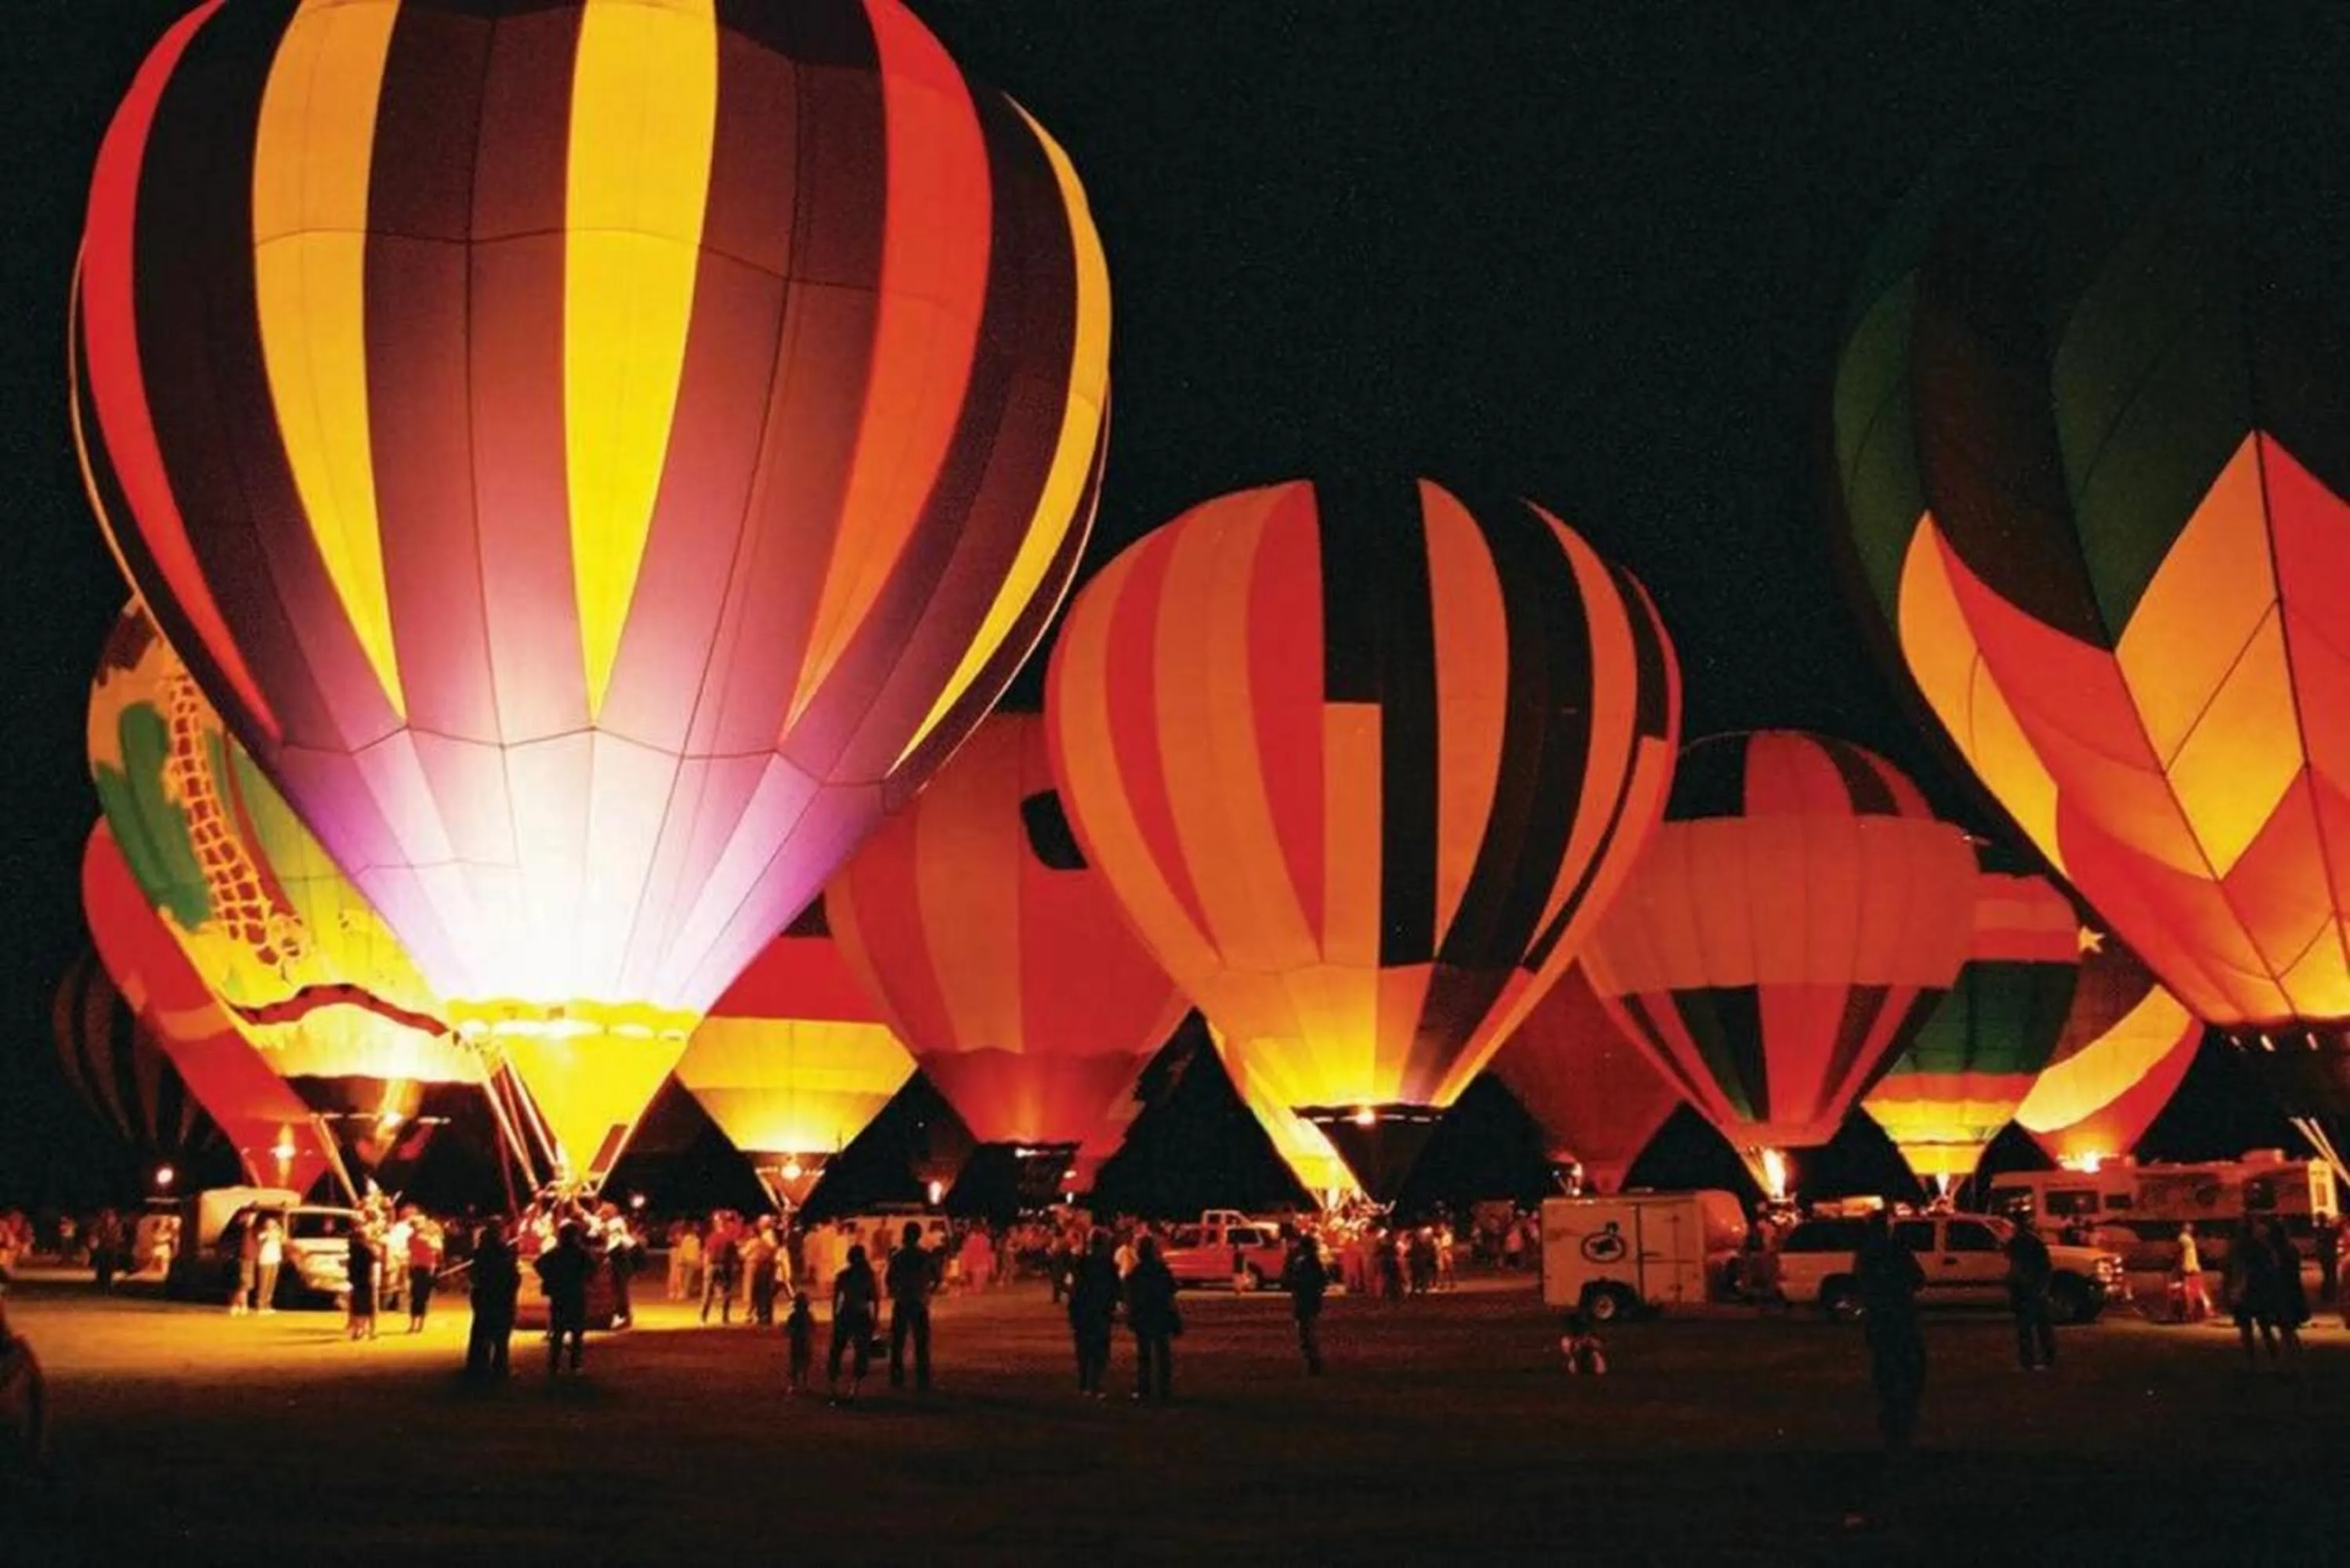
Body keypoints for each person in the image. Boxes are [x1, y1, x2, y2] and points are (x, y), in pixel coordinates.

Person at [1853, 1210, 1926, 1451]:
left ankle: (1889, 1413)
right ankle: (1904, 1414)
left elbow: (1860, 1283)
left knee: (1884, 1363)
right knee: (1910, 1363)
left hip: (1878, 1316)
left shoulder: (1865, 1254)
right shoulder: (1898, 1250)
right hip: (1902, 1314)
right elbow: (1918, 1279)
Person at [1124, 1235, 1180, 1403]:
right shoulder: (1161, 1270)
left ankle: (1144, 1389)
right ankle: (1164, 1389)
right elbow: (1171, 1293)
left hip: (1144, 1315)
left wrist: (1131, 1314)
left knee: (1144, 1354)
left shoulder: (1136, 1272)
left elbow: (1131, 1296)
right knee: (1163, 1353)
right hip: (1160, 1313)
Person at [535, 1222, 592, 1376]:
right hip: (575, 1294)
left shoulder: (556, 1252)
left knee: (558, 1331)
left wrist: (550, 1278)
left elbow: (538, 1264)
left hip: (559, 1294)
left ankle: (554, 1365)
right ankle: (575, 1365)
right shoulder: (580, 1252)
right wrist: (583, 1278)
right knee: (576, 1332)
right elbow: (592, 1268)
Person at [1068, 1230, 1119, 1397]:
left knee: (1084, 1348)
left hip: (1083, 1310)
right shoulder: (1108, 1265)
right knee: (1099, 1349)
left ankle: (1084, 1383)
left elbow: (1075, 1288)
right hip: (1100, 1311)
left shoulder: (1082, 1262)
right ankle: (1095, 1383)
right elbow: (1115, 1289)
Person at [466, 1219, 520, 1380]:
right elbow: (510, 1275)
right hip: (499, 1295)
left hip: (483, 1294)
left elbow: (474, 1275)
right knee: (501, 1334)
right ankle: (500, 1367)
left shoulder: (480, 1252)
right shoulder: (502, 1252)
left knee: (481, 1331)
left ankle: (478, 1366)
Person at [887, 1221, 936, 1392]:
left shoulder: (898, 1257)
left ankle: (897, 1377)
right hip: (919, 1301)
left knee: (898, 1342)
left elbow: (889, 1280)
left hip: (902, 1301)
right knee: (921, 1343)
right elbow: (937, 1276)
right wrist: (928, 1291)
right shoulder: (925, 1256)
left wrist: (895, 1291)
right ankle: (923, 1379)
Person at [2005, 1214, 2056, 1371]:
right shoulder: (2035, 1242)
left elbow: (2013, 1265)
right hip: (2033, 1288)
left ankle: (2028, 1360)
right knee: (2040, 1326)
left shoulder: (2015, 1243)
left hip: (2025, 1289)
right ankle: (2047, 1359)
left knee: (2025, 1328)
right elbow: (2046, 1266)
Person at [828, 1244, 879, 1404]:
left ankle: (834, 1385)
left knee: (837, 1349)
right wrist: (874, 1319)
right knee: (861, 1351)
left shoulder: (844, 1275)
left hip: (846, 1313)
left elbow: (836, 1299)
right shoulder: (868, 1275)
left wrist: (835, 1317)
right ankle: (854, 1386)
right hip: (862, 1314)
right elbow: (874, 1299)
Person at [2262, 1218, 2307, 1364]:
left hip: (2281, 1292)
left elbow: (2274, 1272)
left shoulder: (2276, 1252)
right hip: (2292, 1290)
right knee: (2288, 1329)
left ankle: (2290, 1363)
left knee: (2286, 1328)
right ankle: (2293, 1360)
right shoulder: (2291, 1249)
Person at [1282, 1230, 1328, 1375]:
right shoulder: (1314, 1262)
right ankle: (1312, 1362)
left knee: (1306, 1333)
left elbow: (1292, 1281)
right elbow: (1323, 1281)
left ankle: (1313, 1363)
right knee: (1308, 1332)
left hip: (1304, 1301)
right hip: (1311, 1301)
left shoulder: (1303, 1263)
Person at [405, 1216, 443, 1334]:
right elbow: (437, 1250)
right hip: (425, 1269)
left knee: (416, 1297)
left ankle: (414, 1324)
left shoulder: (411, 1238)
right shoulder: (425, 1239)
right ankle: (419, 1325)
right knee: (423, 1298)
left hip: (417, 1268)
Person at [703, 1216, 741, 1325]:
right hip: (725, 1266)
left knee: (708, 1292)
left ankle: (703, 1316)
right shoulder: (729, 1239)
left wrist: (705, 1267)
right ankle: (725, 1317)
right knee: (727, 1292)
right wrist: (735, 1266)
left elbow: (707, 1253)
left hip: (712, 1266)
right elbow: (734, 1255)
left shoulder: (710, 1237)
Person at [346, 1224, 380, 1342]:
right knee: (370, 1307)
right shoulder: (367, 1250)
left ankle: (357, 1331)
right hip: (366, 1280)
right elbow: (374, 1261)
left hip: (356, 1281)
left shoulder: (352, 1249)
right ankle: (371, 1331)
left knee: (357, 1307)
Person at [2173, 1224, 2211, 1323]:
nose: (2191, 1229)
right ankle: (2189, 1313)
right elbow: (2180, 1253)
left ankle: (2194, 1312)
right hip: (2188, 1268)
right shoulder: (2183, 1238)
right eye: (2188, 1227)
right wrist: (2180, 1266)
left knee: (2194, 1290)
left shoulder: (2188, 1239)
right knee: (2189, 1290)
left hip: (2192, 1267)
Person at [784, 1291, 815, 1396]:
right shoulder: (808, 1315)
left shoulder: (793, 1316)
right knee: (804, 1364)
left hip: (797, 1342)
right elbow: (813, 1328)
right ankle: (803, 1384)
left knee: (796, 1364)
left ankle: (795, 1384)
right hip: (805, 1342)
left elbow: (787, 1330)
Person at [1559, 1310, 1607, 1375]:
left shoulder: (1592, 1323)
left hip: (1586, 1344)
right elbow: (1568, 1339)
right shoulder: (1569, 1324)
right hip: (1575, 1344)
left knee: (1596, 1353)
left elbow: (1598, 1341)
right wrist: (1576, 1343)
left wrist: (1591, 1342)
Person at [253, 1216, 284, 1315]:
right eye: (269, 1224)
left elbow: (283, 1239)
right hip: (265, 1260)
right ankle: (260, 1305)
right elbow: (260, 1241)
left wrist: (279, 1230)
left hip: (275, 1260)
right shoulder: (262, 1234)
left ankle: (268, 1304)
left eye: (273, 1224)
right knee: (264, 1283)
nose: (271, 1226)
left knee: (271, 1284)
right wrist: (270, 1235)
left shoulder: (278, 1234)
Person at [231, 1218, 259, 1317]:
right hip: (246, 1258)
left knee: (245, 1284)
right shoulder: (245, 1232)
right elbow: (245, 1247)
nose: (252, 1220)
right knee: (244, 1284)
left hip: (249, 1258)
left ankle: (239, 1305)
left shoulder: (251, 1231)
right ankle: (240, 1305)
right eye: (250, 1218)